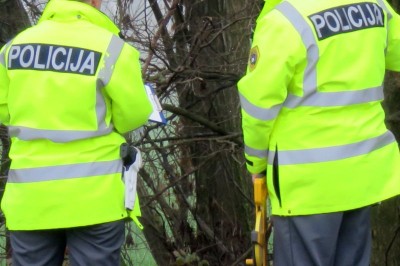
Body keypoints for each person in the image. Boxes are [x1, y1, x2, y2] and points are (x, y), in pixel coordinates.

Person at [238, 0, 400, 265]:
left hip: (307, 187)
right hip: (363, 176)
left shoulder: (284, 20)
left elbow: (258, 107)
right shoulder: (375, 6)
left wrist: (256, 164)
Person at [0, 0, 152, 264]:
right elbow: (134, 116)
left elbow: (5, 111)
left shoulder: (13, 48)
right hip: (95, 198)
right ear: (94, 1)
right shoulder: (112, 48)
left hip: (31, 198)